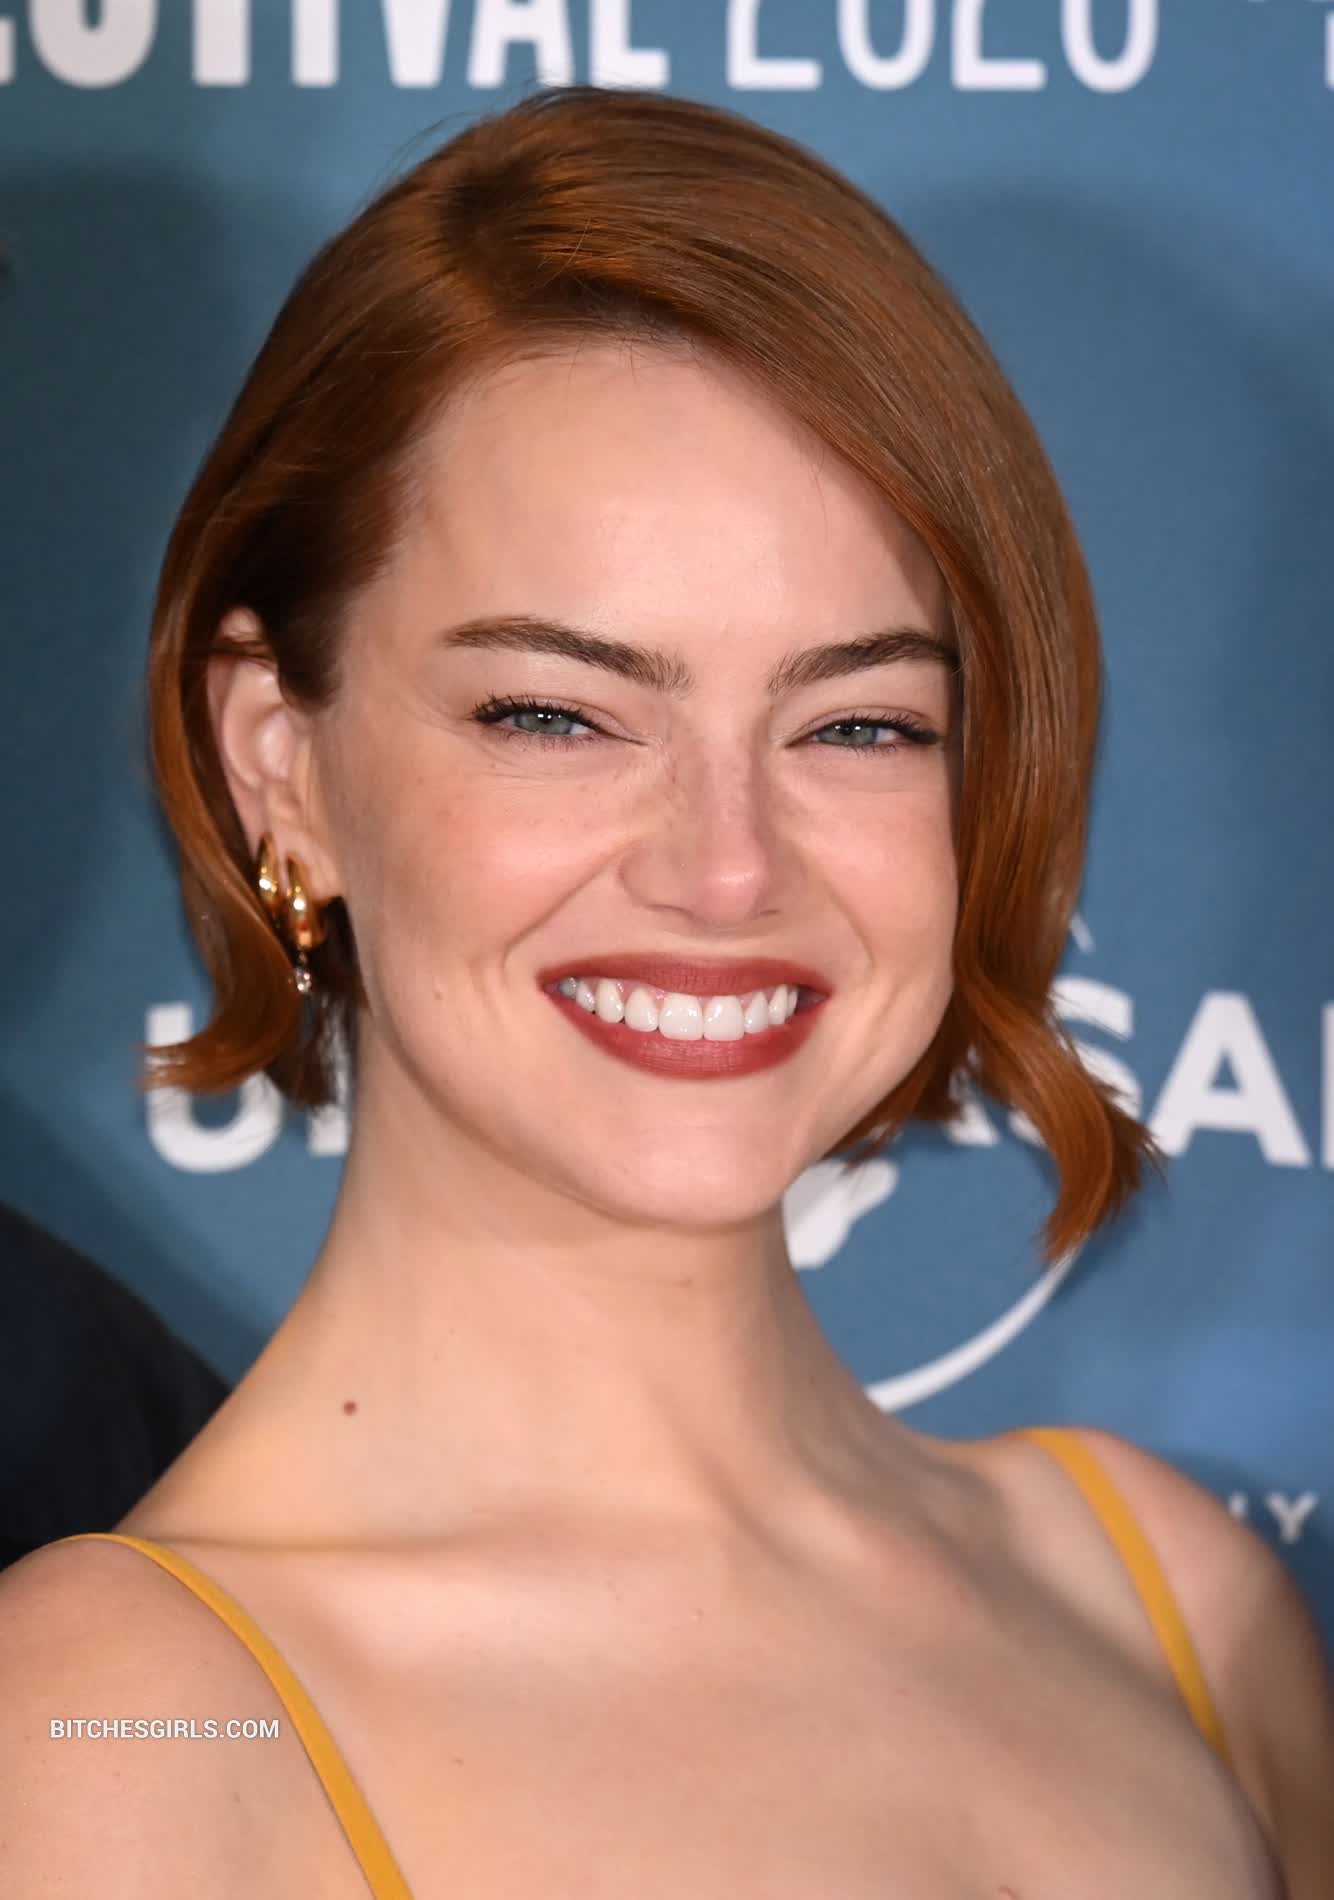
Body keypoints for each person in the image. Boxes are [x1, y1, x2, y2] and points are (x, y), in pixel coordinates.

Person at [1, 84, 1329, 1898]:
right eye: (555, 715)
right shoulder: (110, 1726)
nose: (727, 869)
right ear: (277, 762)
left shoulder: (1163, 1598)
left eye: (858, 724)